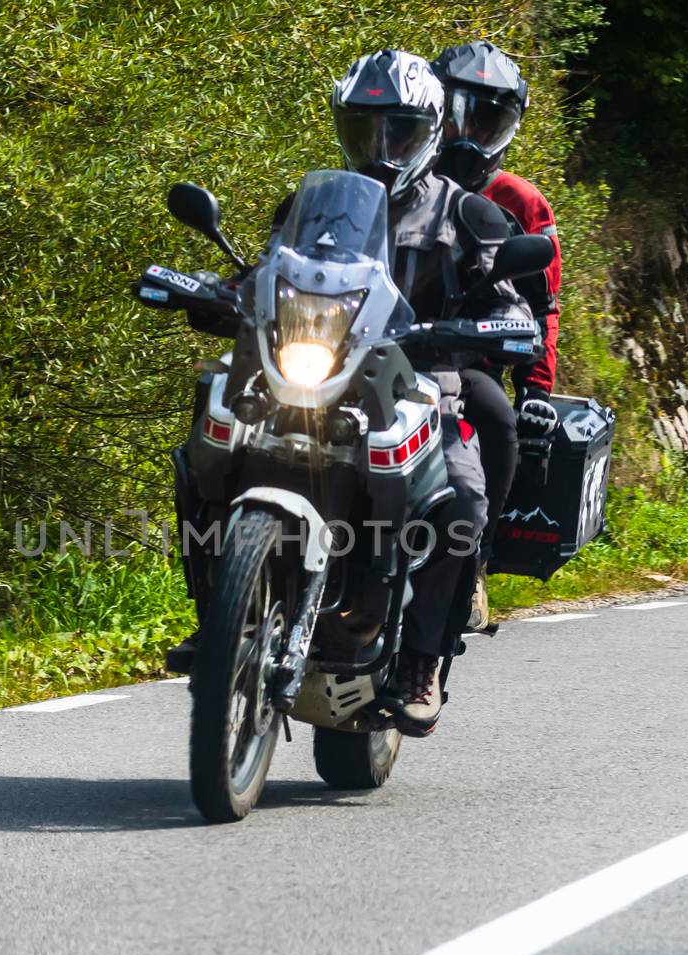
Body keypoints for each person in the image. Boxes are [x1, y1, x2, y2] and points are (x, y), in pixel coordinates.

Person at [166, 50, 538, 736]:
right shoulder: (314, 207)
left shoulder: (471, 216)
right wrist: (215, 292)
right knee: (205, 437)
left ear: (431, 130)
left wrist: (500, 326)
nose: (381, 146)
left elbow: (515, 305)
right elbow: (267, 276)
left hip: (421, 388)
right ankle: (216, 617)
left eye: (398, 130)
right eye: (365, 128)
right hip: (314, 376)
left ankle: (420, 660)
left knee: (464, 497)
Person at [432, 41, 563, 624]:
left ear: (509, 129)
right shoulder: (387, 174)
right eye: (456, 113)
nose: (466, 135)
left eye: (485, 121)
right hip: (369, 346)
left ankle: (472, 568)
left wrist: (536, 388)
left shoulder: (521, 201)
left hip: (468, 357)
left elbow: (544, 305)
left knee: (498, 418)